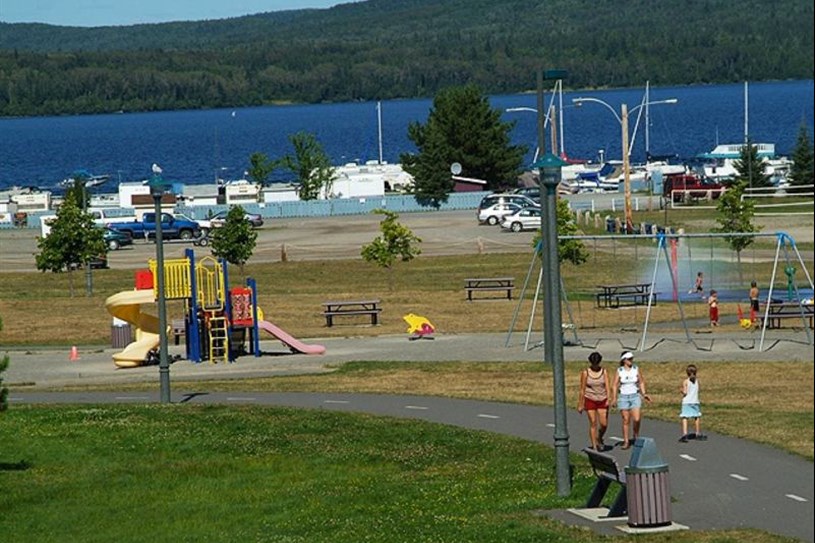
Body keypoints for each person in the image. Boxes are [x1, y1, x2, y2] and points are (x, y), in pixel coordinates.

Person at [610, 351, 651, 450]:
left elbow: (641, 382)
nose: (631, 361)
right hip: (623, 396)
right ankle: (626, 441)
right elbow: (615, 385)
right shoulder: (620, 370)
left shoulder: (636, 369)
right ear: (624, 360)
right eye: (629, 359)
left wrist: (644, 393)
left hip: (634, 395)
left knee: (636, 418)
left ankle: (635, 434)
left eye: (632, 359)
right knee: (626, 419)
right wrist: (614, 398)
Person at [577, 351, 611, 451]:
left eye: (597, 364)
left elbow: (607, 386)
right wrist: (580, 403)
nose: (595, 366)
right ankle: (595, 446)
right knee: (593, 422)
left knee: (604, 423)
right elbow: (582, 389)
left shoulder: (604, 371)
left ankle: (599, 437)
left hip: (602, 399)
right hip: (590, 399)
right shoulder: (585, 373)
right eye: (593, 364)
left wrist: (609, 398)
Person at [679, 364, 706, 442]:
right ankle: (697, 433)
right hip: (695, 401)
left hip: (687, 402)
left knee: (685, 417)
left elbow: (685, 392)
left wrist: (681, 390)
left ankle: (685, 434)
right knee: (696, 417)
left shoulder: (686, 381)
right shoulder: (696, 381)